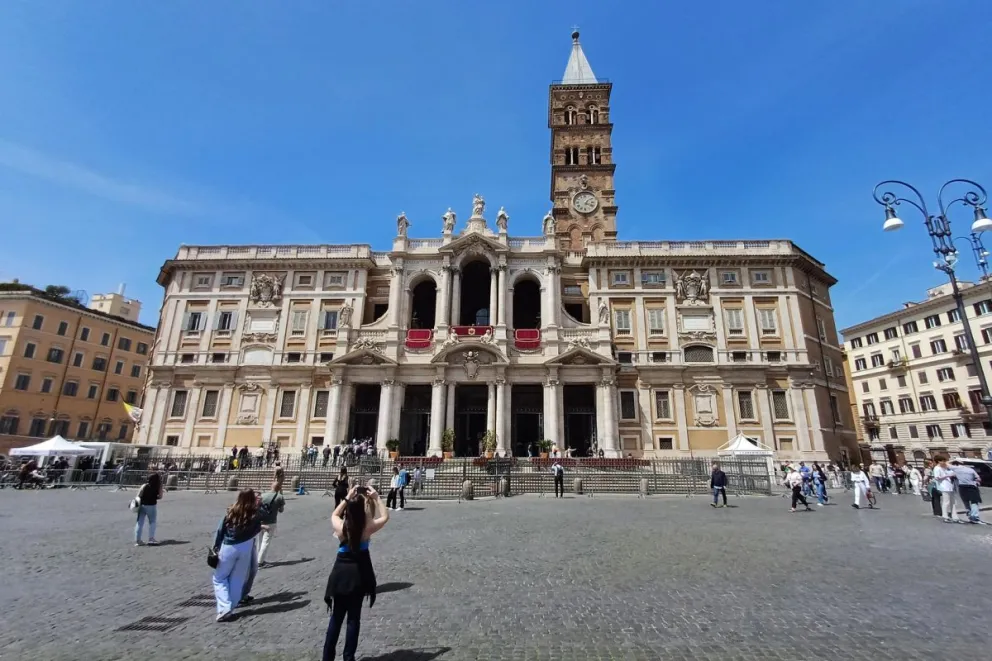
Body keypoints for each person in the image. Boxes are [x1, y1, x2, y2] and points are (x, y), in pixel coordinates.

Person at [323, 485, 389, 661]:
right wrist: (376, 497)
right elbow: (385, 516)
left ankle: (327, 657)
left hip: (340, 574)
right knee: (353, 619)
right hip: (358, 575)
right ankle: (348, 657)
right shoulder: (367, 529)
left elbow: (334, 514)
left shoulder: (342, 527)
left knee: (336, 618)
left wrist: (347, 498)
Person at [212, 488, 263, 622]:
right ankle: (231, 607)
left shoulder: (231, 510)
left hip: (229, 545)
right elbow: (257, 529)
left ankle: (224, 607)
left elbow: (220, 529)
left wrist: (216, 546)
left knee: (219, 578)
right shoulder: (255, 514)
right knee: (237, 579)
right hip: (246, 546)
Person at [257, 481, 286, 567]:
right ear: (279, 488)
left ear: (271, 486)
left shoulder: (263, 495)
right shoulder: (280, 497)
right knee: (265, 542)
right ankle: (260, 561)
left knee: (259, 541)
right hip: (271, 521)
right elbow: (281, 510)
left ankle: (257, 558)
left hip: (260, 521)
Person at [135, 472, 164, 546]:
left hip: (142, 505)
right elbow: (160, 496)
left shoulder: (144, 485)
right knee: (152, 522)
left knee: (139, 522)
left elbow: (138, 495)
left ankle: (138, 540)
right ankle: (151, 539)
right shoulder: (158, 487)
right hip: (151, 505)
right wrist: (155, 496)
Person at [950, 459, 983, 524]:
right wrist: (976, 482)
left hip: (962, 487)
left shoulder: (955, 470)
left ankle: (969, 514)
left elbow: (951, 477)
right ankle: (974, 516)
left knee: (966, 501)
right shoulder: (970, 470)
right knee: (974, 501)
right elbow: (978, 478)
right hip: (972, 486)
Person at [932, 455, 961, 524]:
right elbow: (937, 478)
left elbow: (950, 467)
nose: (944, 462)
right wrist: (948, 476)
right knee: (946, 502)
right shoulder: (937, 468)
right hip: (944, 486)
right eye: (943, 461)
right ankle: (945, 516)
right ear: (939, 461)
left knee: (953, 502)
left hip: (950, 486)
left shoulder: (944, 467)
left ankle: (955, 516)